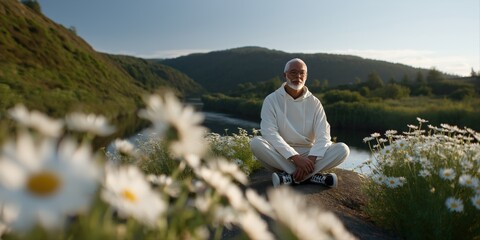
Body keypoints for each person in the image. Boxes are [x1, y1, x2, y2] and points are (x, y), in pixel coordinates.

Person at [250, 58, 350, 188]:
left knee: (343, 149)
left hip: (310, 154)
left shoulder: (314, 102)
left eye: (302, 73)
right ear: (285, 75)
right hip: (281, 154)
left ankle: (291, 177)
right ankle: (311, 176)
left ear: (306, 76)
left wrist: (310, 159)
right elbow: (269, 133)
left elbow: (323, 135)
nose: (298, 76)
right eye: (293, 72)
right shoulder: (271, 100)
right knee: (256, 143)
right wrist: (295, 158)